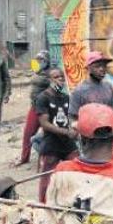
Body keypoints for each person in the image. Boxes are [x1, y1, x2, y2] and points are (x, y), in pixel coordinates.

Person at [34, 68, 79, 202]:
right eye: (56, 77)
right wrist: (66, 132)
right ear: (49, 80)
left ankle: (73, 201)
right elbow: (44, 123)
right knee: (47, 177)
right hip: (51, 142)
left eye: (61, 77)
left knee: (76, 170)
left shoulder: (66, 97)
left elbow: (71, 118)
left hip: (67, 142)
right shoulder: (43, 98)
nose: (60, 79)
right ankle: (42, 204)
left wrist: (75, 128)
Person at [15, 50, 51, 166]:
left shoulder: (51, 74)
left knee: (48, 135)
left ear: (47, 61)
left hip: (45, 109)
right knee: (28, 133)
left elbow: (57, 89)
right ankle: (24, 158)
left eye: (41, 60)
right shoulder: (38, 71)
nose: (39, 62)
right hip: (34, 107)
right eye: (38, 60)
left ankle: (47, 159)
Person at [68, 51, 113, 120]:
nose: (102, 69)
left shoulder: (108, 87)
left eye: (104, 66)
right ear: (88, 68)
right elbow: (73, 117)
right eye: (97, 66)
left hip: (108, 129)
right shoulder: (79, 91)